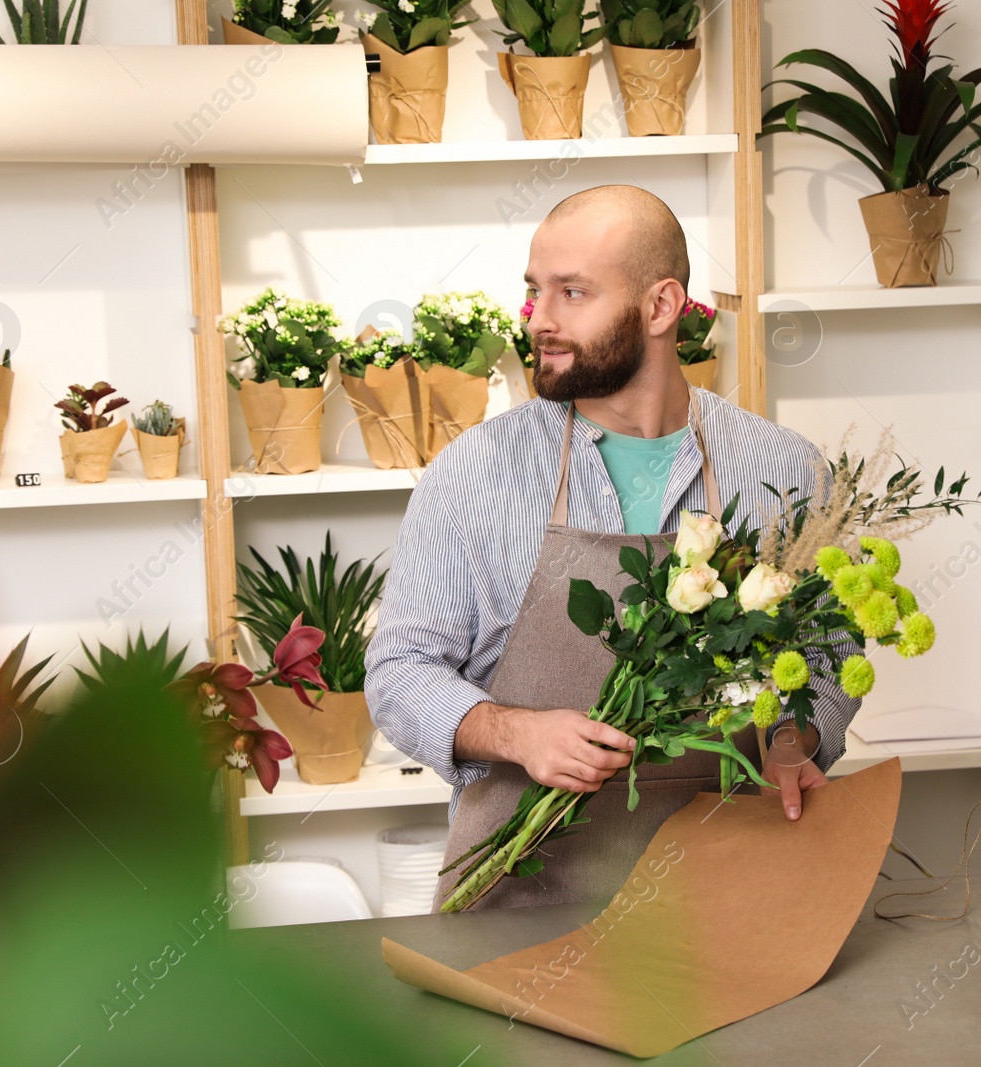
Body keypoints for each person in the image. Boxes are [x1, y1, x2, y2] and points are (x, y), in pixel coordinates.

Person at [365, 185, 859, 910]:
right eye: (536, 291)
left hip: (730, 895)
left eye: (573, 292)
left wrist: (798, 741)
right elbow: (399, 672)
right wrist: (516, 732)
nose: (541, 320)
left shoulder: (782, 470)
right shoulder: (472, 475)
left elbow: (830, 652)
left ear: (662, 307)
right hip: (521, 896)